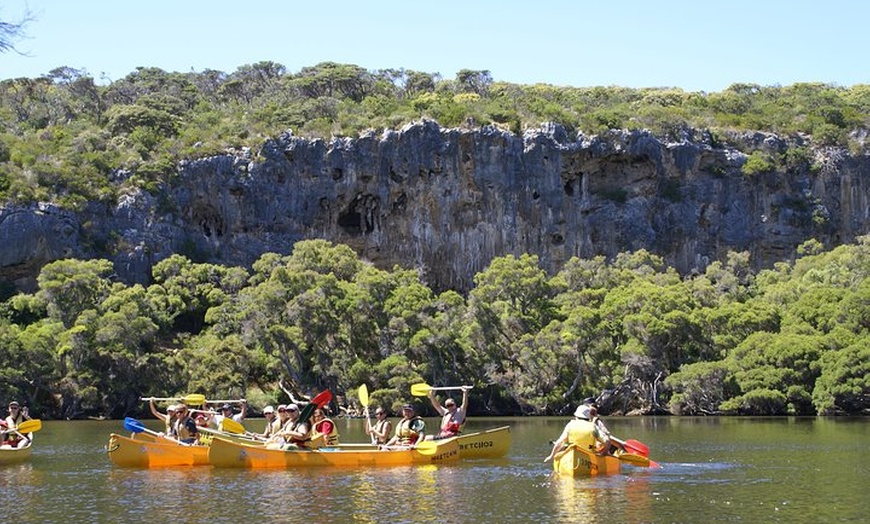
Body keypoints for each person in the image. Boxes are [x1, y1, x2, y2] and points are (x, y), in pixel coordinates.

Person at [544, 404, 612, 462]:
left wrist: (551, 456)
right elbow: (607, 441)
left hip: (571, 457)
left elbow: (560, 442)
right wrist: (603, 454)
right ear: (588, 417)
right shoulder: (593, 427)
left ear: (576, 416)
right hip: (589, 458)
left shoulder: (570, 425)